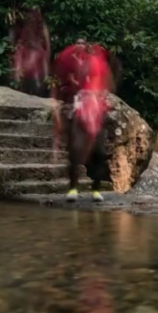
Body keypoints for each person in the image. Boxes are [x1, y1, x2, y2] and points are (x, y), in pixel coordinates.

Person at [51, 40, 114, 202]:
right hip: (80, 107)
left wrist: (101, 96)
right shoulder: (75, 64)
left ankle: (96, 188)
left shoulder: (99, 64)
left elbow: (106, 85)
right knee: (75, 150)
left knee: (99, 152)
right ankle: (73, 187)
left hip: (96, 110)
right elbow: (70, 84)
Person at [11, 8, 51, 96]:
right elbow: (14, 42)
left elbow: (47, 45)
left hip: (36, 53)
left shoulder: (41, 26)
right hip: (24, 53)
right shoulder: (21, 24)